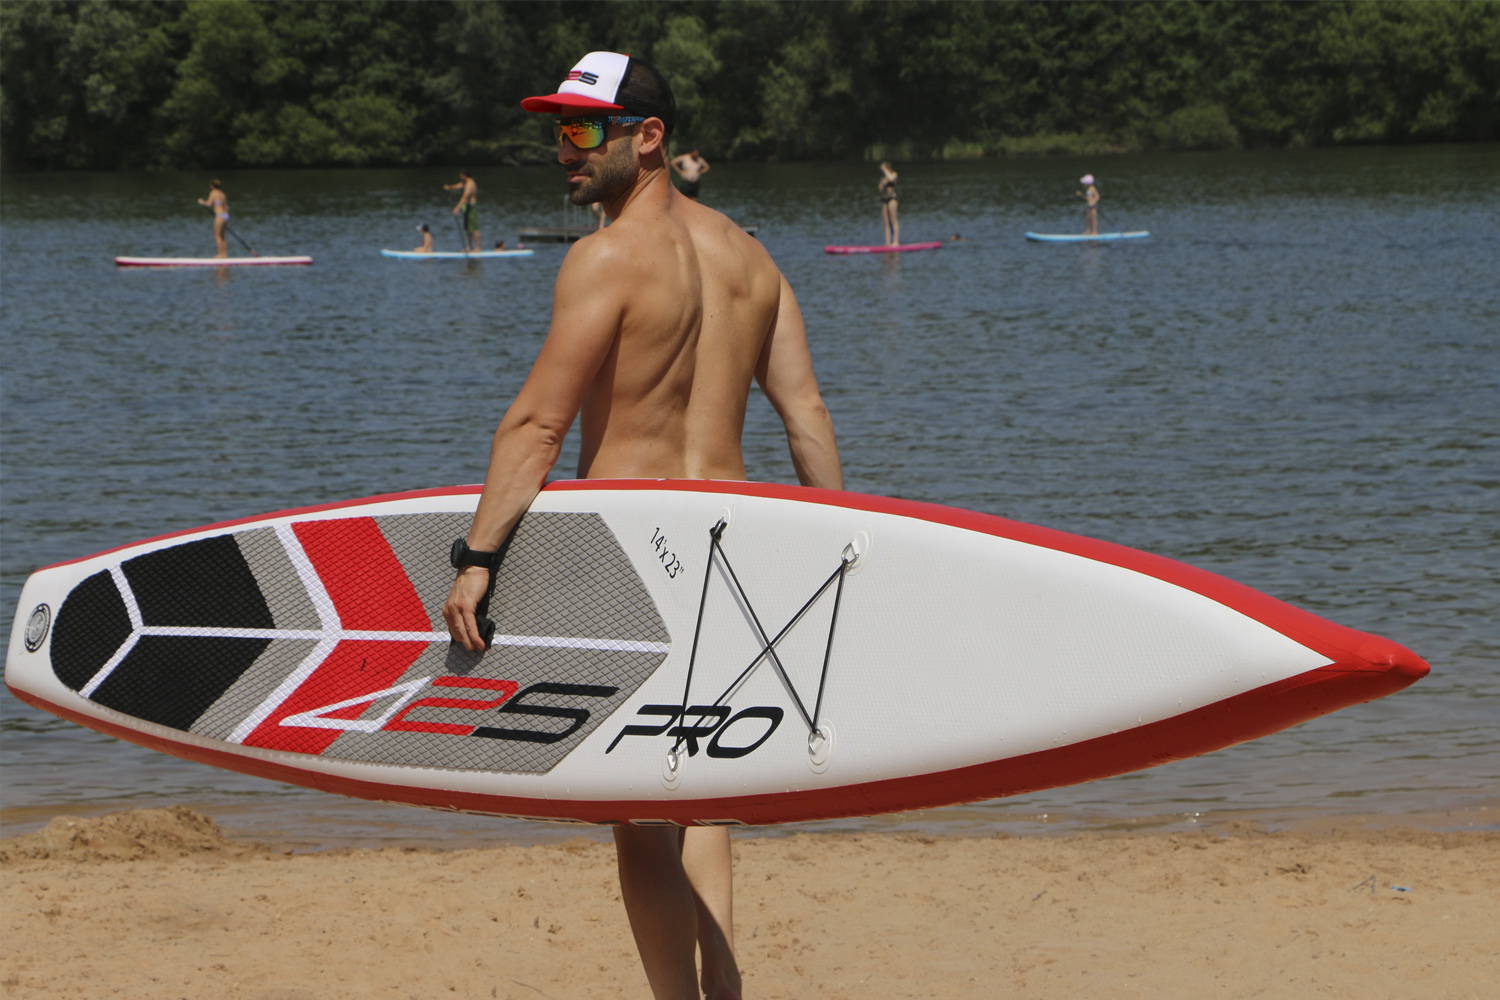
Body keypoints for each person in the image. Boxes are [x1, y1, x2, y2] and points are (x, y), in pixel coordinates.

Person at [442, 50, 842, 1000]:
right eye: (558, 131)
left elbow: (538, 422)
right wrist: (836, 557)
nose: (563, 152)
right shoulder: (754, 258)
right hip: (736, 550)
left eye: (584, 131)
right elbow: (807, 420)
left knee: (634, 810)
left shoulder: (605, 257)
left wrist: (478, 559)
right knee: (705, 798)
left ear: (648, 137)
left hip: (633, 553)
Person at [444, 170, 480, 251]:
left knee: (474, 228)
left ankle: (478, 248)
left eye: (461, 176)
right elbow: (458, 185)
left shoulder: (470, 185)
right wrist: (450, 187)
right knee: (467, 228)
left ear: (465, 176)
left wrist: (457, 208)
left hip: (471, 207)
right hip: (466, 207)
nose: (460, 178)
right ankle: (469, 247)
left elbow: (465, 197)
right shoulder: (465, 183)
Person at [196, 180, 230, 258]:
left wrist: (201, 202)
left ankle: (221, 255)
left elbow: (209, 204)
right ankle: (225, 254)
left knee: (217, 236)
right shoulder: (222, 194)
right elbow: (227, 207)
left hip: (219, 216)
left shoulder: (213, 193)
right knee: (222, 236)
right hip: (226, 216)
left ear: (212, 186)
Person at [878, 161, 900, 245]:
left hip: (892, 199)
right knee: (886, 223)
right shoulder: (883, 178)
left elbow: (891, 178)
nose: (882, 170)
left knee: (893, 220)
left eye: (883, 168)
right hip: (884, 199)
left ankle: (896, 241)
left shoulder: (894, 174)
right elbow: (880, 189)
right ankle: (887, 243)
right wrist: (882, 183)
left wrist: (884, 169)